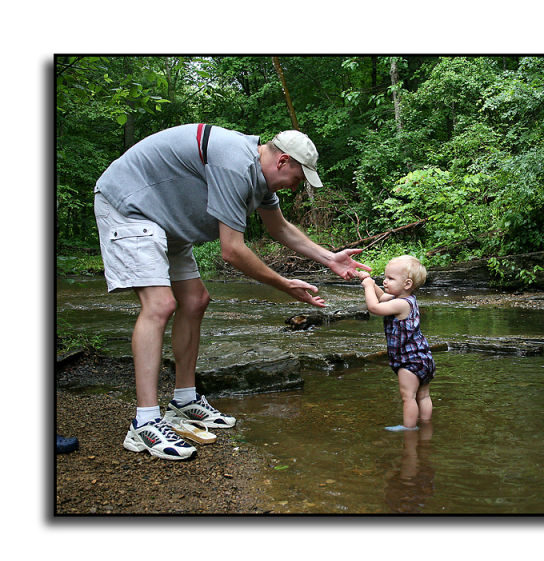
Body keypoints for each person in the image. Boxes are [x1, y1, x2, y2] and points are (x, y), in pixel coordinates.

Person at [93, 125, 371, 460]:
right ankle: (144, 422)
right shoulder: (234, 164)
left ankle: (183, 401)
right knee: (161, 304)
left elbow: (279, 227)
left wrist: (329, 258)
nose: (296, 188)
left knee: (196, 300)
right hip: (128, 206)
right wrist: (284, 285)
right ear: (282, 161)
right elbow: (232, 251)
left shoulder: (258, 177)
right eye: (297, 179)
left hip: (166, 222)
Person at [357, 255, 435, 431]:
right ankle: (426, 425)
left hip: (409, 360)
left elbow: (374, 307)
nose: (385, 281)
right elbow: (383, 296)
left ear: (407, 284)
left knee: (408, 396)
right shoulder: (406, 299)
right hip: (423, 356)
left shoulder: (400, 304)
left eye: (390, 279)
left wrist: (368, 287)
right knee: (423, 396)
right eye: (385, 277)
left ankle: (409, 429)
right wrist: (369, 281)